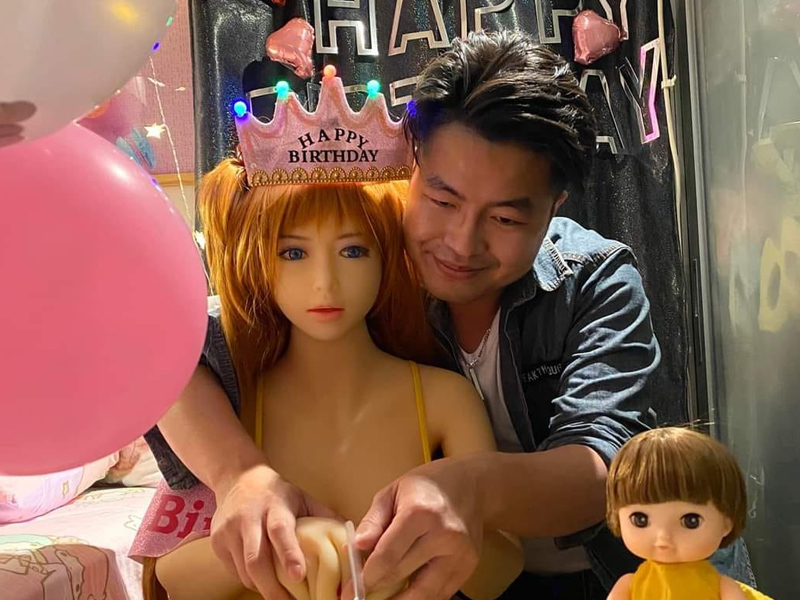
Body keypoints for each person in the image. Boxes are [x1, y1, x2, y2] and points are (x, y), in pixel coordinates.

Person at [146, 30, 660, 600]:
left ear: (554, 205)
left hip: (592, 575)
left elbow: (603, 466)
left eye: (506, 219)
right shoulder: (378, 267)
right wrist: (239, 475)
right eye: (442, 200)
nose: (461, 243)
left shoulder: (593, 279)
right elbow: (171, 356)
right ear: (411, 171)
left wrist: (468, 488)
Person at [135, 71, 522, 600]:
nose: (325, 282)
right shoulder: (230, 399)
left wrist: (440, 538)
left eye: (353, 250)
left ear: (388, 254)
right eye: (293, 253)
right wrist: (285, 546)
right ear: (259, 262)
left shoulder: (442, 398)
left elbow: (502, 567)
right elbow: (171, 575)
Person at [605, 427, 772, 600]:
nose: (663, 537)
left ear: (726, 523)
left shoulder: (723, 587)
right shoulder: (628, 585)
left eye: (691, 521)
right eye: (640, 519)